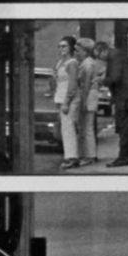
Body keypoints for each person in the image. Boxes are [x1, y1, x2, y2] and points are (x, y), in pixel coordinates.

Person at [102, 39, 128, 167]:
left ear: (103, 50)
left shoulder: (114, 57)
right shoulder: (117, 55)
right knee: (127, 127)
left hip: (126, 97)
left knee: (125, 128)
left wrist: (102, 80)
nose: (100, 59)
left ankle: (124, 156)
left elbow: (115, 77)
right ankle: (126, 155)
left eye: (99, 55)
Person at [74, 38, 106, 165]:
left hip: (88, 95)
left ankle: (90, 155)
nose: (76, 53)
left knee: (87, 127)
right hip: (90, 94)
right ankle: (88, 154)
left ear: (85, 51)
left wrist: (83, 101)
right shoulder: (88, 63)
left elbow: (86, 84)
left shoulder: (88, 64)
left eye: (78, 50)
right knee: (86, 127)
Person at [53, 37, 83, 169]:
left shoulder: (72, 63)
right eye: (59, 46)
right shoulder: (60, 62)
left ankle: (72, 157)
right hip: (60, 98)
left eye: (64, 46)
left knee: (69, 128)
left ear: (71, 47)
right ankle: (69, 155)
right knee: (65, 129)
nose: (61, 49)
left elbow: (72, 85)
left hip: (69, 99)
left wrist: (66, 102)